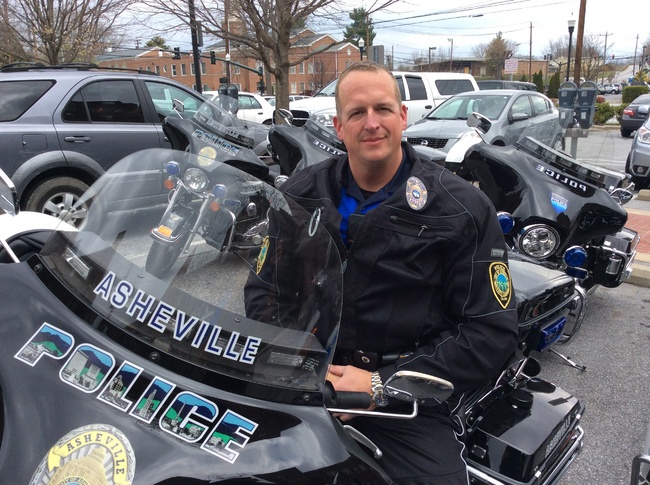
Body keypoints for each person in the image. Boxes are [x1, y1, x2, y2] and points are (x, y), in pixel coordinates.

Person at [247, 61, 519, 484]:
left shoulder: (461, 208)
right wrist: (301, 362)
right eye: (357, 113)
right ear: (339, 126)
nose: (371, 123)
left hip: (404, 396)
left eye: (383, 109)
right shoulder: (300, 193)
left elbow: (489, 332)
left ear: (403, 116)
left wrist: (380, 384)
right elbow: (264, 293)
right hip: (304, 376)